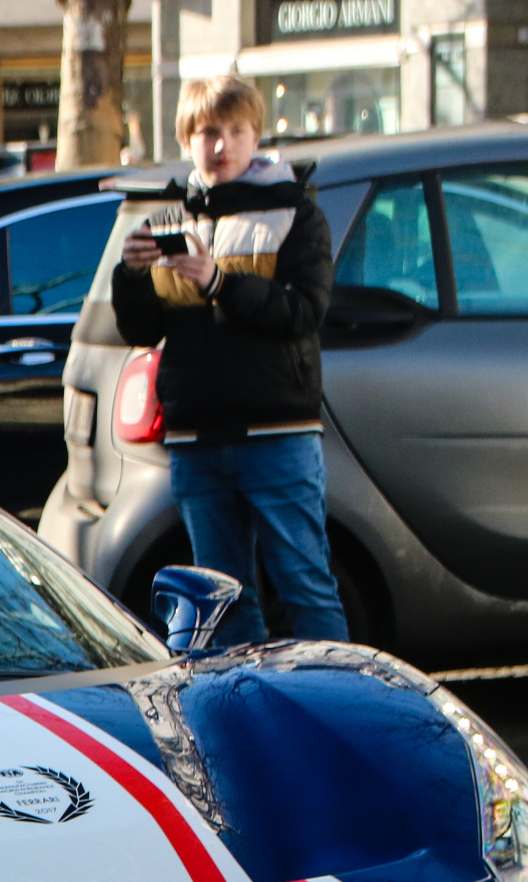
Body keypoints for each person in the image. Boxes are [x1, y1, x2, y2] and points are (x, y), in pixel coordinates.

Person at [113, 74, 344, 648]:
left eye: (236, 131)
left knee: (306, 587)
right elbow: (141, 330)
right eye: (208, 132)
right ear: (187, 138)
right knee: (221, 601)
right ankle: (247, 716)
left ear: (256, 137)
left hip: (277, 432)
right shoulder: (170, 217)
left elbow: (303, 312)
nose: (221, 145)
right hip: (198, 440)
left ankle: (341, 709)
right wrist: (132, 275)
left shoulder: (294, 212)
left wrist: (219, 281)